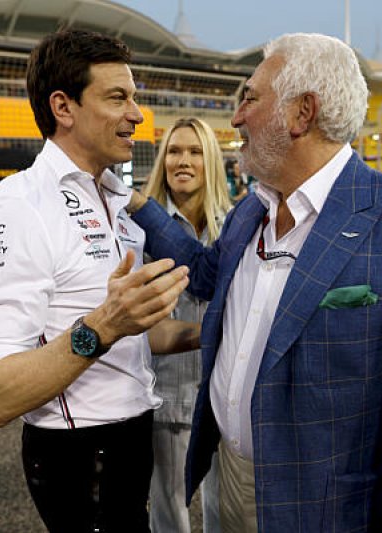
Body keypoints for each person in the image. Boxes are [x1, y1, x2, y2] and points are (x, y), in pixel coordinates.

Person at [128, 33, 382, 532]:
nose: (236, 117)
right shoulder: (251, 211)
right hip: (229, 478)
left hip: (324, 507)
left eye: (250, 98)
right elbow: (203, 274)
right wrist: (141, 206)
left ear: (301, 113)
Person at [0, 29, 194, 533]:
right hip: (78, 454)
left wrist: (216, 331)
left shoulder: (112, 199)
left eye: (134, 97)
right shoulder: (19, 206)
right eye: (118, 97)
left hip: (133, 437)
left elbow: (131, 334)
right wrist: (106, 324)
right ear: (63, 107)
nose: (137, 114)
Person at [142, 117, 231, 533]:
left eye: (195, 152)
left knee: (226, 514)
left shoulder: (235, 226)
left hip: (223, 399)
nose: (183, 160)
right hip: (167, 395)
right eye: (174, 151)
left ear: (210, 160)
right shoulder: (139, 230)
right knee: (169, 518)